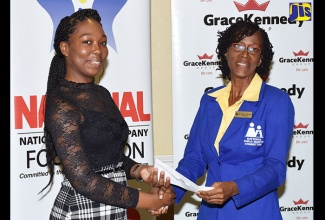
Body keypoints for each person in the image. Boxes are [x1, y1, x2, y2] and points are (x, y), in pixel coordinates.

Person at [39, 8, 175, 219]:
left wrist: (138, 170)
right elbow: (84, 180)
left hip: (113, 205)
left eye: (102, 43)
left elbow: (107, 157)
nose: (98, 50)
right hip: (81, 208)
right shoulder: (61, 103)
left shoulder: (101, 93)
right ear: (65, 48)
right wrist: (150, 200)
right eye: (87, 42)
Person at [173, 20, 295, 219]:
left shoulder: (276, 102)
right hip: (210, 213)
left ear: (261, 59)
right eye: (237, 46)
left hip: (254, 212)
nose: (245, 54)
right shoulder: (210, 100)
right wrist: (172, 190)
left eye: (253, 49)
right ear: (225, 52)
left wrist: (234, 188)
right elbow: (194, 158)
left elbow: (275, 168)